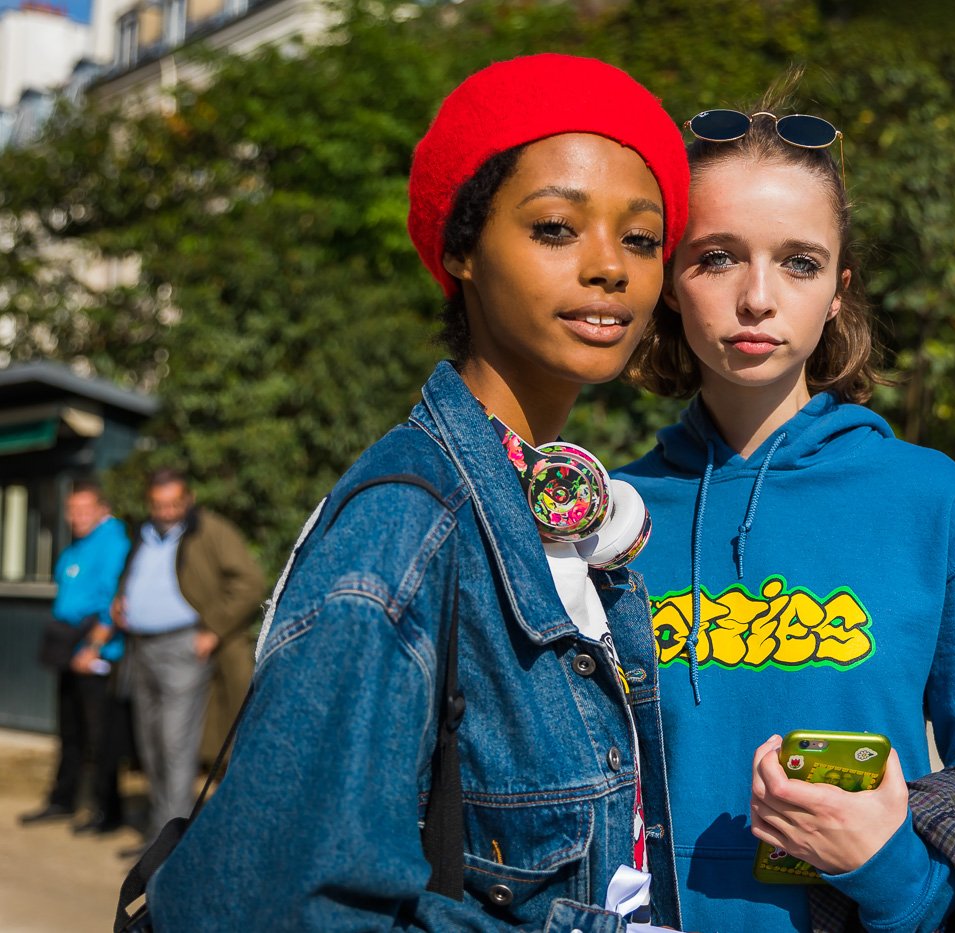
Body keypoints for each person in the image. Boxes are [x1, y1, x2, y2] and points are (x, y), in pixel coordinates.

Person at [145, 54, 691, 931]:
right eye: (556, 227)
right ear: (460, 249)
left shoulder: (549, 509)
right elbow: (255, 904)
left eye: (641, 238)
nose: (609, 268)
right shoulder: (408, 525)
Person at [617, 88, 955, 933]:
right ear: (670, 281)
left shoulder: (932, 504)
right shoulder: (610, 520)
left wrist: (898, 883)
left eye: (798, 261)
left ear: (837, 292)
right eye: (716, 257)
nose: (756, 296)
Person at [110, 467, 264, 848]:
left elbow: (251, 583)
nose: (167, 511)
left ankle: (168, 842)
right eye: (159, 504)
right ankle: (157, 829)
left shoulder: (210, 530)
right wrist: (121, 600)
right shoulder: (143, 532)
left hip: (183, 647)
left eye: (174, 503)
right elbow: (137, 577)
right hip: (141, 648)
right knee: (149, 743)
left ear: (189, 498)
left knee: (175, 744)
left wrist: (213, 628)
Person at [19, 480, 130, 834]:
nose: (76, 517)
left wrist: (93, 648)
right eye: (72, 510)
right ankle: (62, 800)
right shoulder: (78, 546)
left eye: (84, 509)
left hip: (95, 651)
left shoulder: (114, 542)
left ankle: (106, 811)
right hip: (66, 646)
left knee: (100, 734)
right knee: (69, 730)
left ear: (102, 508)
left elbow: (115, 602)